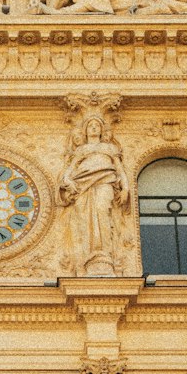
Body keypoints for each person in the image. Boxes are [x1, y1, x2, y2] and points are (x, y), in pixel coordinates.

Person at [58, 116, 129, 274]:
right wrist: (67, 180)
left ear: (102, 130)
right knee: (85, 216)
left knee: (102, 211)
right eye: (91, 126)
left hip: (105, 181)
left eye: (97, 125)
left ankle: (103, 254)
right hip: (83, 183)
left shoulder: (109, 148)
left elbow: (120, 170)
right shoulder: (81, 150)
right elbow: (70, 169)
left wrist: (125, 188)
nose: (94, 128)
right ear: (85, 131)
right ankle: (90, 255)